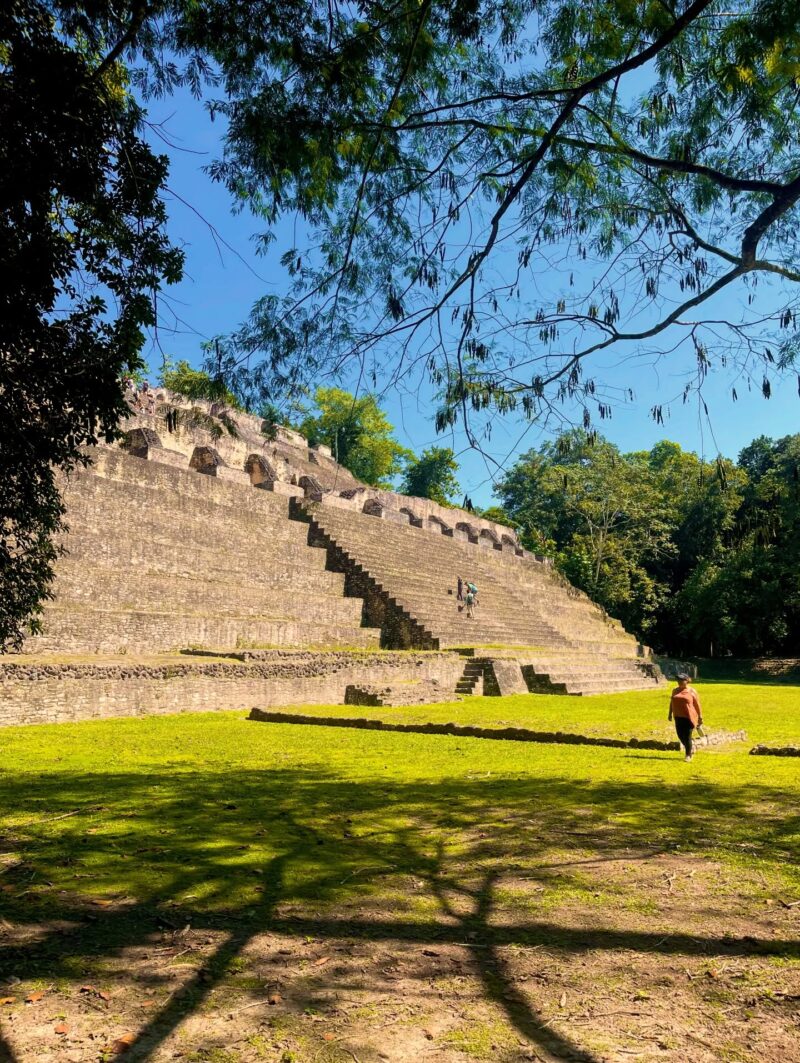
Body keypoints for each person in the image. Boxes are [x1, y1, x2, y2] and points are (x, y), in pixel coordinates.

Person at [668, 672, 703, 762]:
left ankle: (688, 755)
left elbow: (697, 704)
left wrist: (700, 717)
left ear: (687, 681)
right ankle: (691, 748)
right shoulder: (675, 690)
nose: (679, 681)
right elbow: (672, 702)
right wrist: (670, 713)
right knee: (680, 736)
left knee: (687, 736)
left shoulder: (692, 691)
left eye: (681, 680)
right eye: (678, 680)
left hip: (689, 717)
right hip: (678, 716)